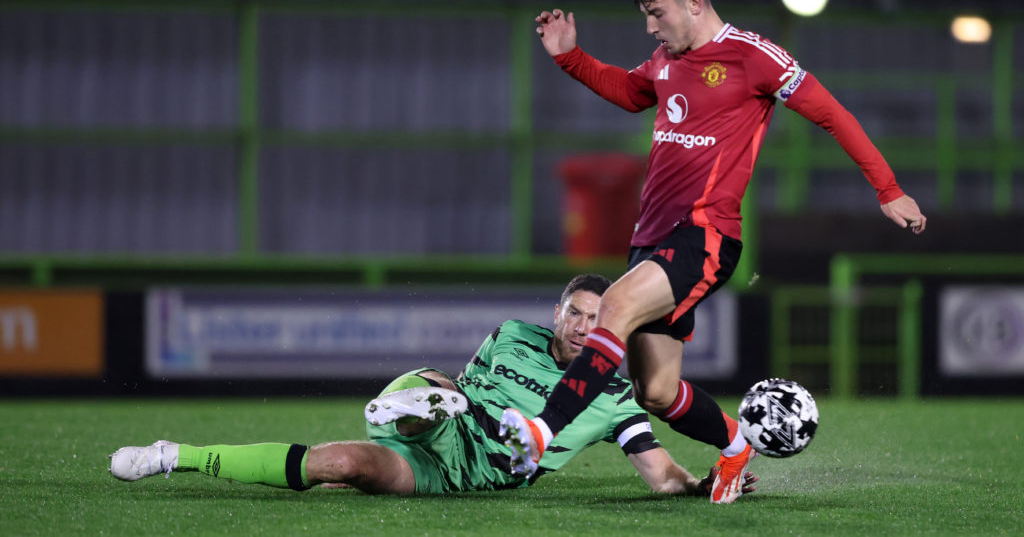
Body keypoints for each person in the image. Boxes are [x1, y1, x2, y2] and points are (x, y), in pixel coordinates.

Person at [499, 0, 928, 504]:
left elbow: (832, 113)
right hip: (650, 240)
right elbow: (630, 93)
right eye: (646, 17)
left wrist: (888, 188)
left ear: (695, 3)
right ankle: (734, 446)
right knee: (654, 391)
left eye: (658, 14)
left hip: (705, 236)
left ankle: (542, 429)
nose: (651, 28)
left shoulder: (755, 57)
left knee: (615, 308)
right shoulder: (664, 61)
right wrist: (569, 57)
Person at [109, 273, 756, 497]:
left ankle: (177, 450)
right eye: (575, 313)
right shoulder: (511, 332)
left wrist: (701, 483)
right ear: (556, 313)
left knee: (338, 463)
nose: (586, 327)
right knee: (442, 388)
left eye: (598, 316)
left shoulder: (614, 397)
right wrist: (446, 398)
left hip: (457, 475)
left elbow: (659, 471)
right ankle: (174, 458)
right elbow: (471, 378)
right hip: (447, 421)